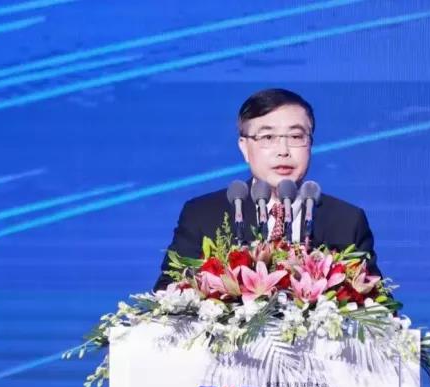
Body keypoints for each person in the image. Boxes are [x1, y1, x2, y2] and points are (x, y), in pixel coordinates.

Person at [153, 88, 380, 291]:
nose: (283, 151)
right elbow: (168, 293)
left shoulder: (347, 221)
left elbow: (378, 305)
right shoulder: (203, 214)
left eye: (296, 136)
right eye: (268, 137)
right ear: (244, 147)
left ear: (310, 144)